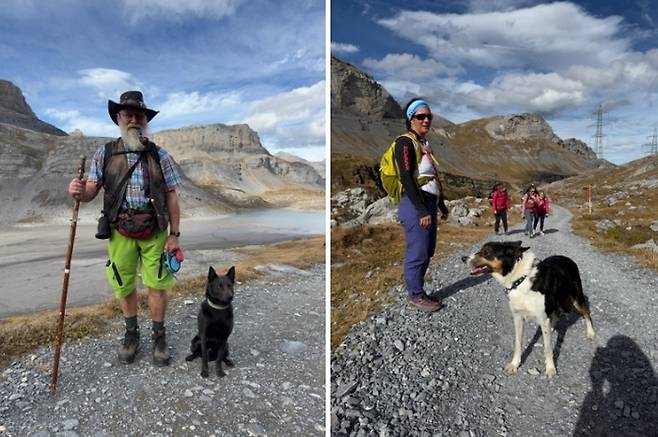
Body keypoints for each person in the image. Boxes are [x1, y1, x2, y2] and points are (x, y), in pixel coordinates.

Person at [68, 91, 182, 366]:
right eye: (127, 114)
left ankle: (159, 338)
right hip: (120, 230)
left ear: (145, 120)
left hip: (155, 230)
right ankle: (132, 335)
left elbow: (172, 196)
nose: (133, 119)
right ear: (118, 118)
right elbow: (90, 192)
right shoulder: (105, 153)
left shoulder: (160, 155)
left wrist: (175, 236)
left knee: (157, 285)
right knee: (124, 285)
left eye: (138, 115)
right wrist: (78, 192)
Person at [394, 98, 447, 312]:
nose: (426, 120)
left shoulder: (424, 144)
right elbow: (407, 178)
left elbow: (432, 177)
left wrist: (441, 206)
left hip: (429, 202)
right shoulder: (404, 143)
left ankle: (419, 290)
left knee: (427, 250)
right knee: (417, 250)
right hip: (415, 203)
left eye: (429, 116)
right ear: (410, 119)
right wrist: (422, 210)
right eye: (420, 116)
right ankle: (415, 295)